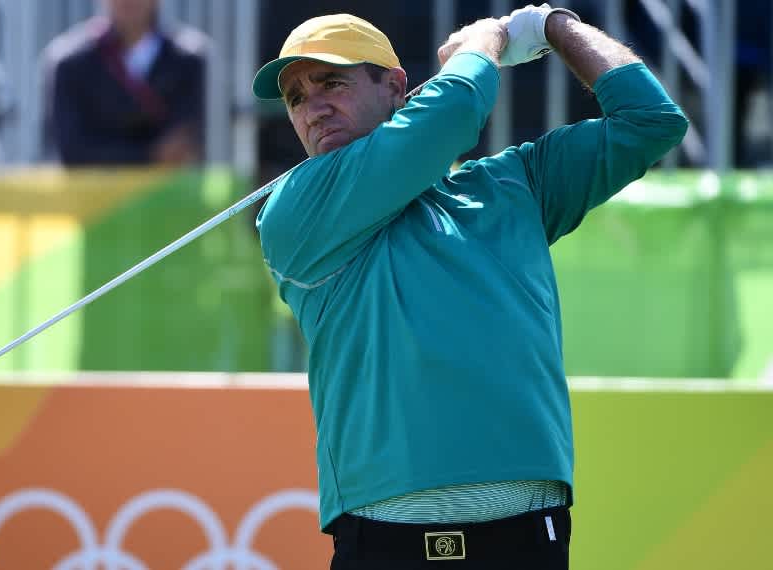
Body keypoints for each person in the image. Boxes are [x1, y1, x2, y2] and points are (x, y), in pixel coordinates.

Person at [252, 6, 687, 568]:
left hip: (527, 533)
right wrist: (484, 45)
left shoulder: (513, 182)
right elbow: (454, 110)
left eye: (332, 81)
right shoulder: (297, 208)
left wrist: (557, 27)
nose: (313, 107)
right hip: (389, 542)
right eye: (296, 97)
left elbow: (652, 121)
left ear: (394, 87)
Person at [43, 0, 207, 166]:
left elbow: (190, 140)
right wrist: (151, 154)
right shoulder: (69, 63)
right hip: (91, 191)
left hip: (172, 191)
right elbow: (72, 150)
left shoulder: (190, 61)